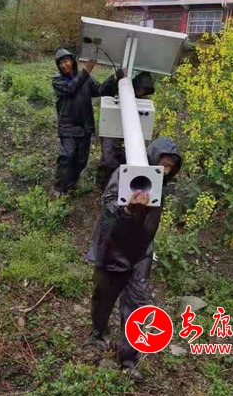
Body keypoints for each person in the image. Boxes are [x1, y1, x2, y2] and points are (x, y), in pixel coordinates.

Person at [90, 137, 182, 382]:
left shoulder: (162, 184)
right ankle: (98, 333)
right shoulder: (125, 174)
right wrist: (128, 209)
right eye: (163, 164)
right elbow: (108, 208)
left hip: (140, 254)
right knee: (103, 298)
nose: (165, 170)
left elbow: (150, 225)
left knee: (135, 306)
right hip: (113, 251)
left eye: (170, 167)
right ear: (152, 158)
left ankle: (128, 359)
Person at [52, 48, 123, 196]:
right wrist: (86, 72)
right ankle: (58, 189)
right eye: (60, 63)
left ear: (72, 61)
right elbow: (71, 89)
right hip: (68, 126)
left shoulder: (84, 77)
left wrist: (113, 79)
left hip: (85, 126)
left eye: (66, 61)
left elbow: (99, 90)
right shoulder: (57, 80)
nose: (64, 65)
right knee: (67, 157)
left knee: (81, 160)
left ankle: (70, 185)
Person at [95, 71, 155, 190]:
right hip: (112, 127)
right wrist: (114, 78)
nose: (141, 93)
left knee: (126, 160)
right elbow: (102, 91)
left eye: (145, 91)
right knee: (109, 159)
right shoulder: (119, 87)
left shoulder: (144, 99)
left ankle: (119, 186)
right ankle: (101, 185)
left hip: (133, 133)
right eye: (140, 90)